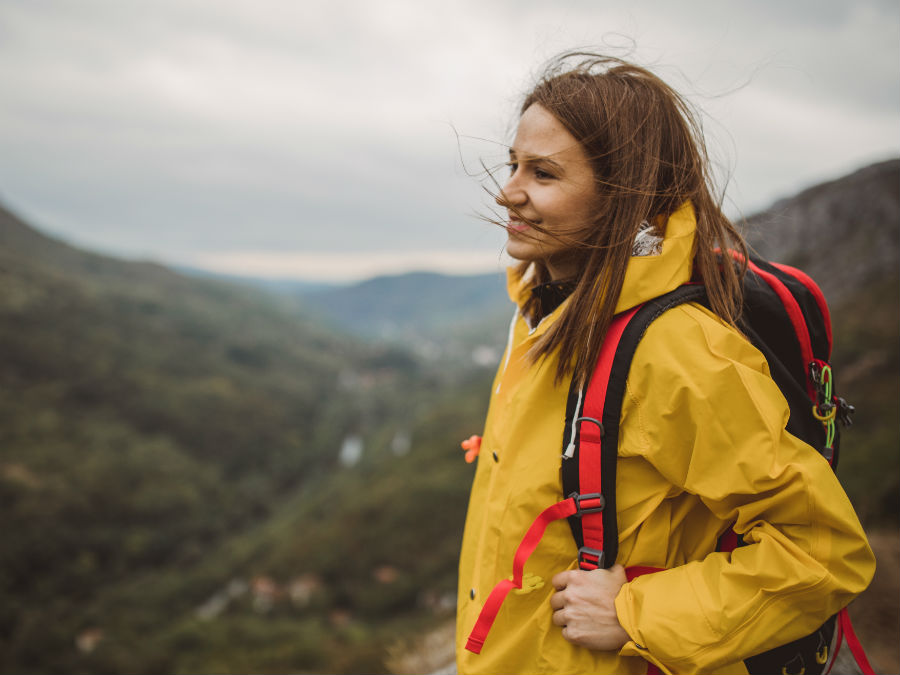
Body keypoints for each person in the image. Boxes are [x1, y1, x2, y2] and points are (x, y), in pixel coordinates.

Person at [455, 53, 875, 675]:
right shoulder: (542, 304)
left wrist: (634, 613)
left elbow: (823, 553)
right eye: (512, 164)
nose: (508, 190)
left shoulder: (677, 350)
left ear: (624, 194)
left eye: (542, 173)